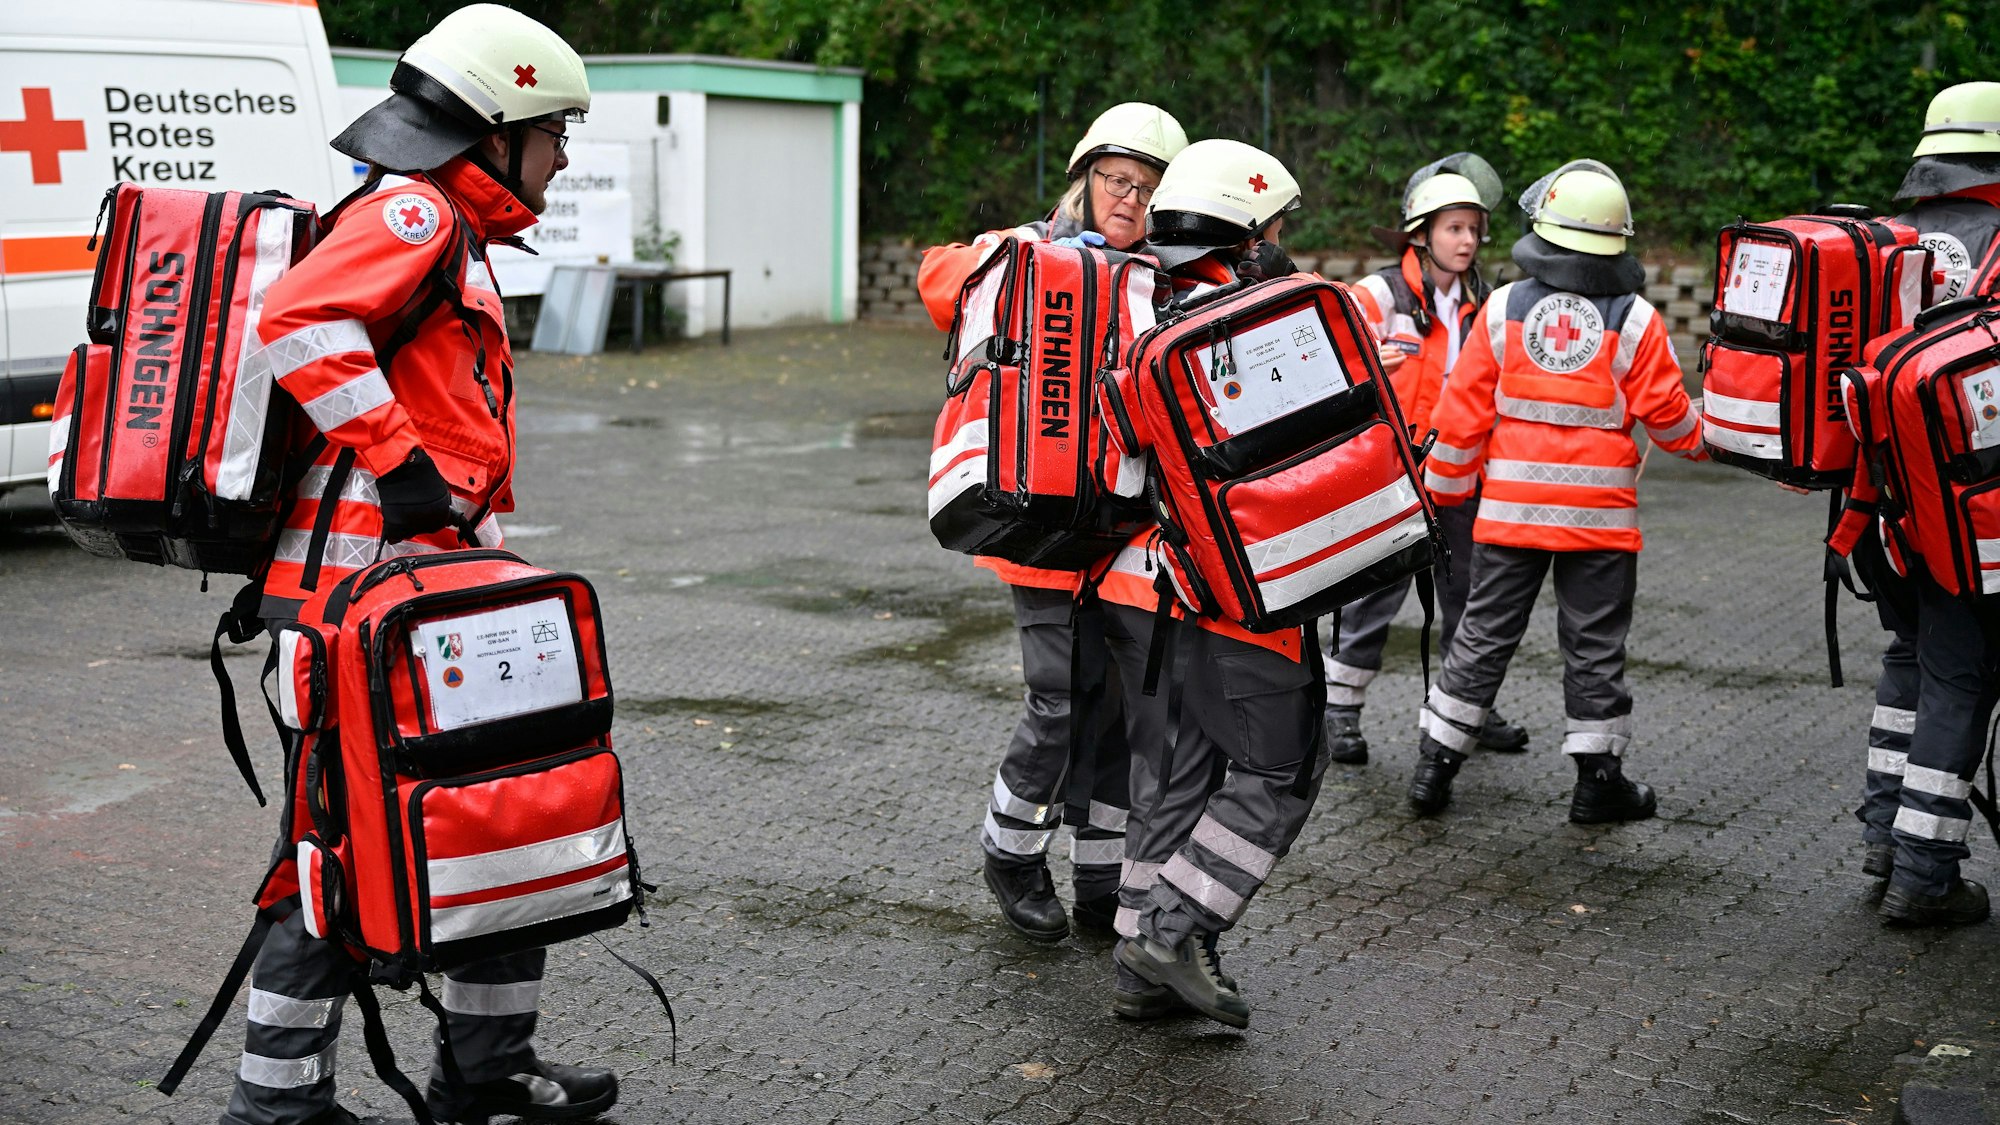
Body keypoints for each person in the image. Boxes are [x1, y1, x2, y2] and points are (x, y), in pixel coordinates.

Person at [220, 8, 615, 1124]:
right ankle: (276, 1108)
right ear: (492, 131)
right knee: (335, 855)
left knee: (501, 811)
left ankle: (486, 1072)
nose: (564, 156)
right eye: (552, 132)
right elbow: (296, 319)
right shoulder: (412, 210)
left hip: (431, 596)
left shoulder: (458, 230)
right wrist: (396, 464)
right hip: (360, 602)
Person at [917, 103, 1188, 942]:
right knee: (1059, 701)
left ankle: (1101, 879)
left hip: (1125, 531)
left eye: (1147, 190)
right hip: (1040, 531)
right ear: (1084, 178)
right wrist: (1010, 263)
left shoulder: (1166, 283)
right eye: (1117, 180)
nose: (1130, 200)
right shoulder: (1024, 250)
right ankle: (1012, 855)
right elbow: (938, 277)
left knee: (1113, 710)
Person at [1410, 159, 1705, 822]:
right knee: (1594, 646)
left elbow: (1461, 416)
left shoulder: (1501, 310)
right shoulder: (1634, 320)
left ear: (1541, 231)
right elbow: (1669, 417)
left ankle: (1435, 766)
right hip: (1599, 524)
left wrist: (1445, 492)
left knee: (1482, 636)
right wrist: (1714, 436)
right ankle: (1598, 782)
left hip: (1509, 517)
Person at [1106, 139, 1325, 1030]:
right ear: (1245, 230)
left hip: (1159, 596)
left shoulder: (1144, 313)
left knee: (1180, 774)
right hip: (1247, 597)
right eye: (1276, 226)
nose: (1283, 241)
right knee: (1281, 766)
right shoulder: (1254, 326)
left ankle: (1138, 967)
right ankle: (1170, 930)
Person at [1321, 154, 1530, 766]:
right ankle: (1340, 712)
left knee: (1469, 599)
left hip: (1461, 476)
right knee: (1371, 598)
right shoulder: (1378, 295)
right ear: (1421, 234)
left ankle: (1469, 708)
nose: (1467, 241)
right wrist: (1365, 369)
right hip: (1390, 475)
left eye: (1473, 229)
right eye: (1454, 228)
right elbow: (1328, 365)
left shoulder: (1489, 302)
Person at [1852, 81, 2000, 926]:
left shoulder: (1891, 240)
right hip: (1969, 512)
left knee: (1908, 662)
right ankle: (1923, 874)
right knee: (1958, 677)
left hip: (1878, 507)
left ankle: (1883, 834)